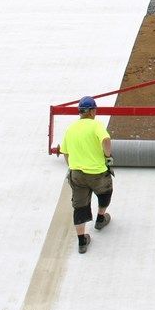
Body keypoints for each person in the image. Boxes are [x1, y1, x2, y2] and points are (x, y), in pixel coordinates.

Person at [61, 96, 113, 254]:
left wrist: (72, 167)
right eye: (95, 110)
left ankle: (82, 241)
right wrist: (107, 155)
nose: (96, 112)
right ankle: (100, 219)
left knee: (80, 206)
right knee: (105, 193)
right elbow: (106, 140)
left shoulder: (71, 128)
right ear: (90, 112)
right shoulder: (95, 125)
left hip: (77, 174)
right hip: (97, 172)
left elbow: (65, 152)